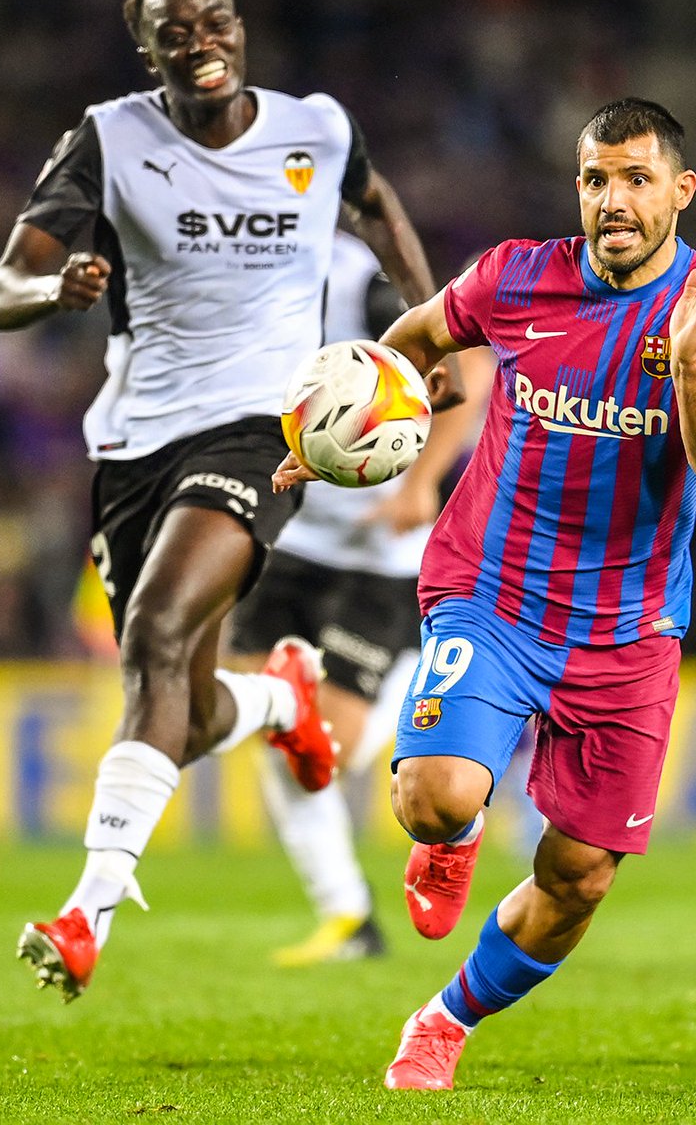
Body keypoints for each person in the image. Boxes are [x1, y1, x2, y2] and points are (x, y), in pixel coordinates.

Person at [276, 96, 696, 1090]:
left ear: (680, 192)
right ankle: (453, 837)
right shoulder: (515, 277)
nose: (613, 199)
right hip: (490, 595)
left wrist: (686, 368)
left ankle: (444, 1019)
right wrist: (340, 432)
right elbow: (417, 340)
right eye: (596, 178)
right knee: (434, 796)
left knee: (579, 877)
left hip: (628, 633)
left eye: (637, 179)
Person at [0, 0, 436, 1004]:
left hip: (261, 434)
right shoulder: (110, 139)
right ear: (147, 49)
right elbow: (4, 283)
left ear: (240, 28)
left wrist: (429, 340)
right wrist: (54, 286)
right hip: (135, 440)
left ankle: (86, 914)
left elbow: (378, 207)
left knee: (149, 632)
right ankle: (278, 702)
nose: (201, 41)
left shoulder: (315, 129)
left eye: (216, 20)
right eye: (174, 30)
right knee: (174, 705)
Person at [228, 229, 490, 966]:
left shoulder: (358, 279)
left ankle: (411, 685)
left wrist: (423, 481)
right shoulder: (239, 275)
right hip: (298, 536)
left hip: (381, 550)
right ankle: (347, 917)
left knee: (329, 747)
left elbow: (469, 360)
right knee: (275, 728)